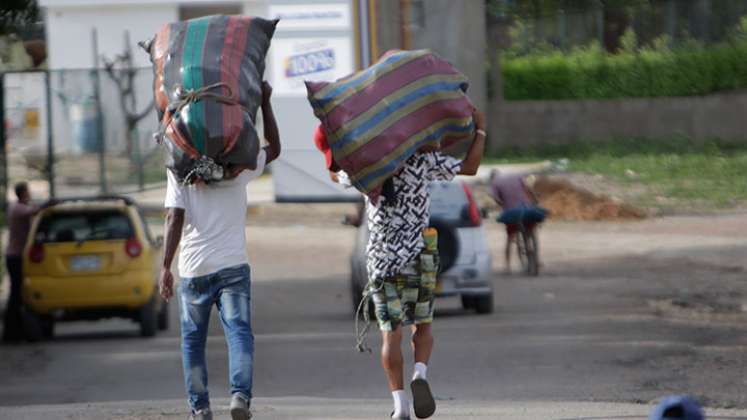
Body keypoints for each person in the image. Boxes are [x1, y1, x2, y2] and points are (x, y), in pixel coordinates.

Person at [324, 110, 486, 419]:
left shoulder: (367, 165)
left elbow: (335, 174)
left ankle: (399, 406)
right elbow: (471, 167)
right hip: (420, 255)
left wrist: (336, 141)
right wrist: (481, 130)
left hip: (382, 260)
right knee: (422, 326)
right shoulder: (421, 160)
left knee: (391, 335)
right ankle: (420, 375)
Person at [158, 81, 280, 420]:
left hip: (194, 270)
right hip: (233, 267)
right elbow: (275, 148)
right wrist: (266, 102)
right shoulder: (237, 168)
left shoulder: (178, 168)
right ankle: (240, 397)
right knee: (239, 333)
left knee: (193, 343)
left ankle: (200, 408)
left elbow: (173, 218)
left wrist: (165, 267)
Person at [3, 182, 44, 342]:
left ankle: (16, 331)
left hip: (19, 256)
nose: (30, 195)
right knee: (15, 295)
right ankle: (11, 332)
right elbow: (33, 211)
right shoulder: (17, 208)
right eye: (28, 192)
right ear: (23, 193)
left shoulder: (19, 207)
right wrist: (47, 204)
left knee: (19, 294)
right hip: (15, 257)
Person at [490, 170, 543, 273]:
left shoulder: (494, 183)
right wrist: (535, 200)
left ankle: (507, 267)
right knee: (532, 232)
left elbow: (496, 198)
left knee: (510, 238)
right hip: (526, 208)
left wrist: (503, 205)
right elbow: (528, 189)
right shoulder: (516, 176)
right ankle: (536, 259)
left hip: (512, 212)